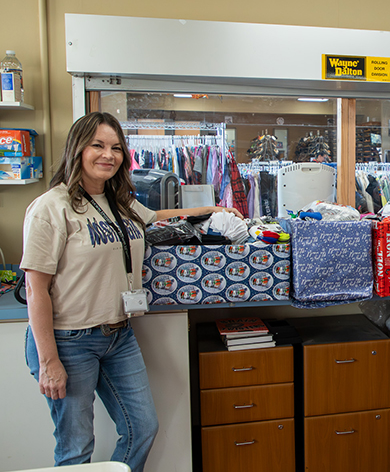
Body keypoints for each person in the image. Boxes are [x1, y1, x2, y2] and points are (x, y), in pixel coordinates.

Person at [21, 112, 242, 471]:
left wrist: (212, 209)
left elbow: (155, 217)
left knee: (143, 428)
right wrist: (49, 363)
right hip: (68, 339)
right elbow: (35, 289)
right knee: (76, 446)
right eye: (97, 145)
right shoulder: (52, 207)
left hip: (119, 335)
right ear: (77, 149)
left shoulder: (118, 200)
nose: (108, 155)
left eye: (116, 148)